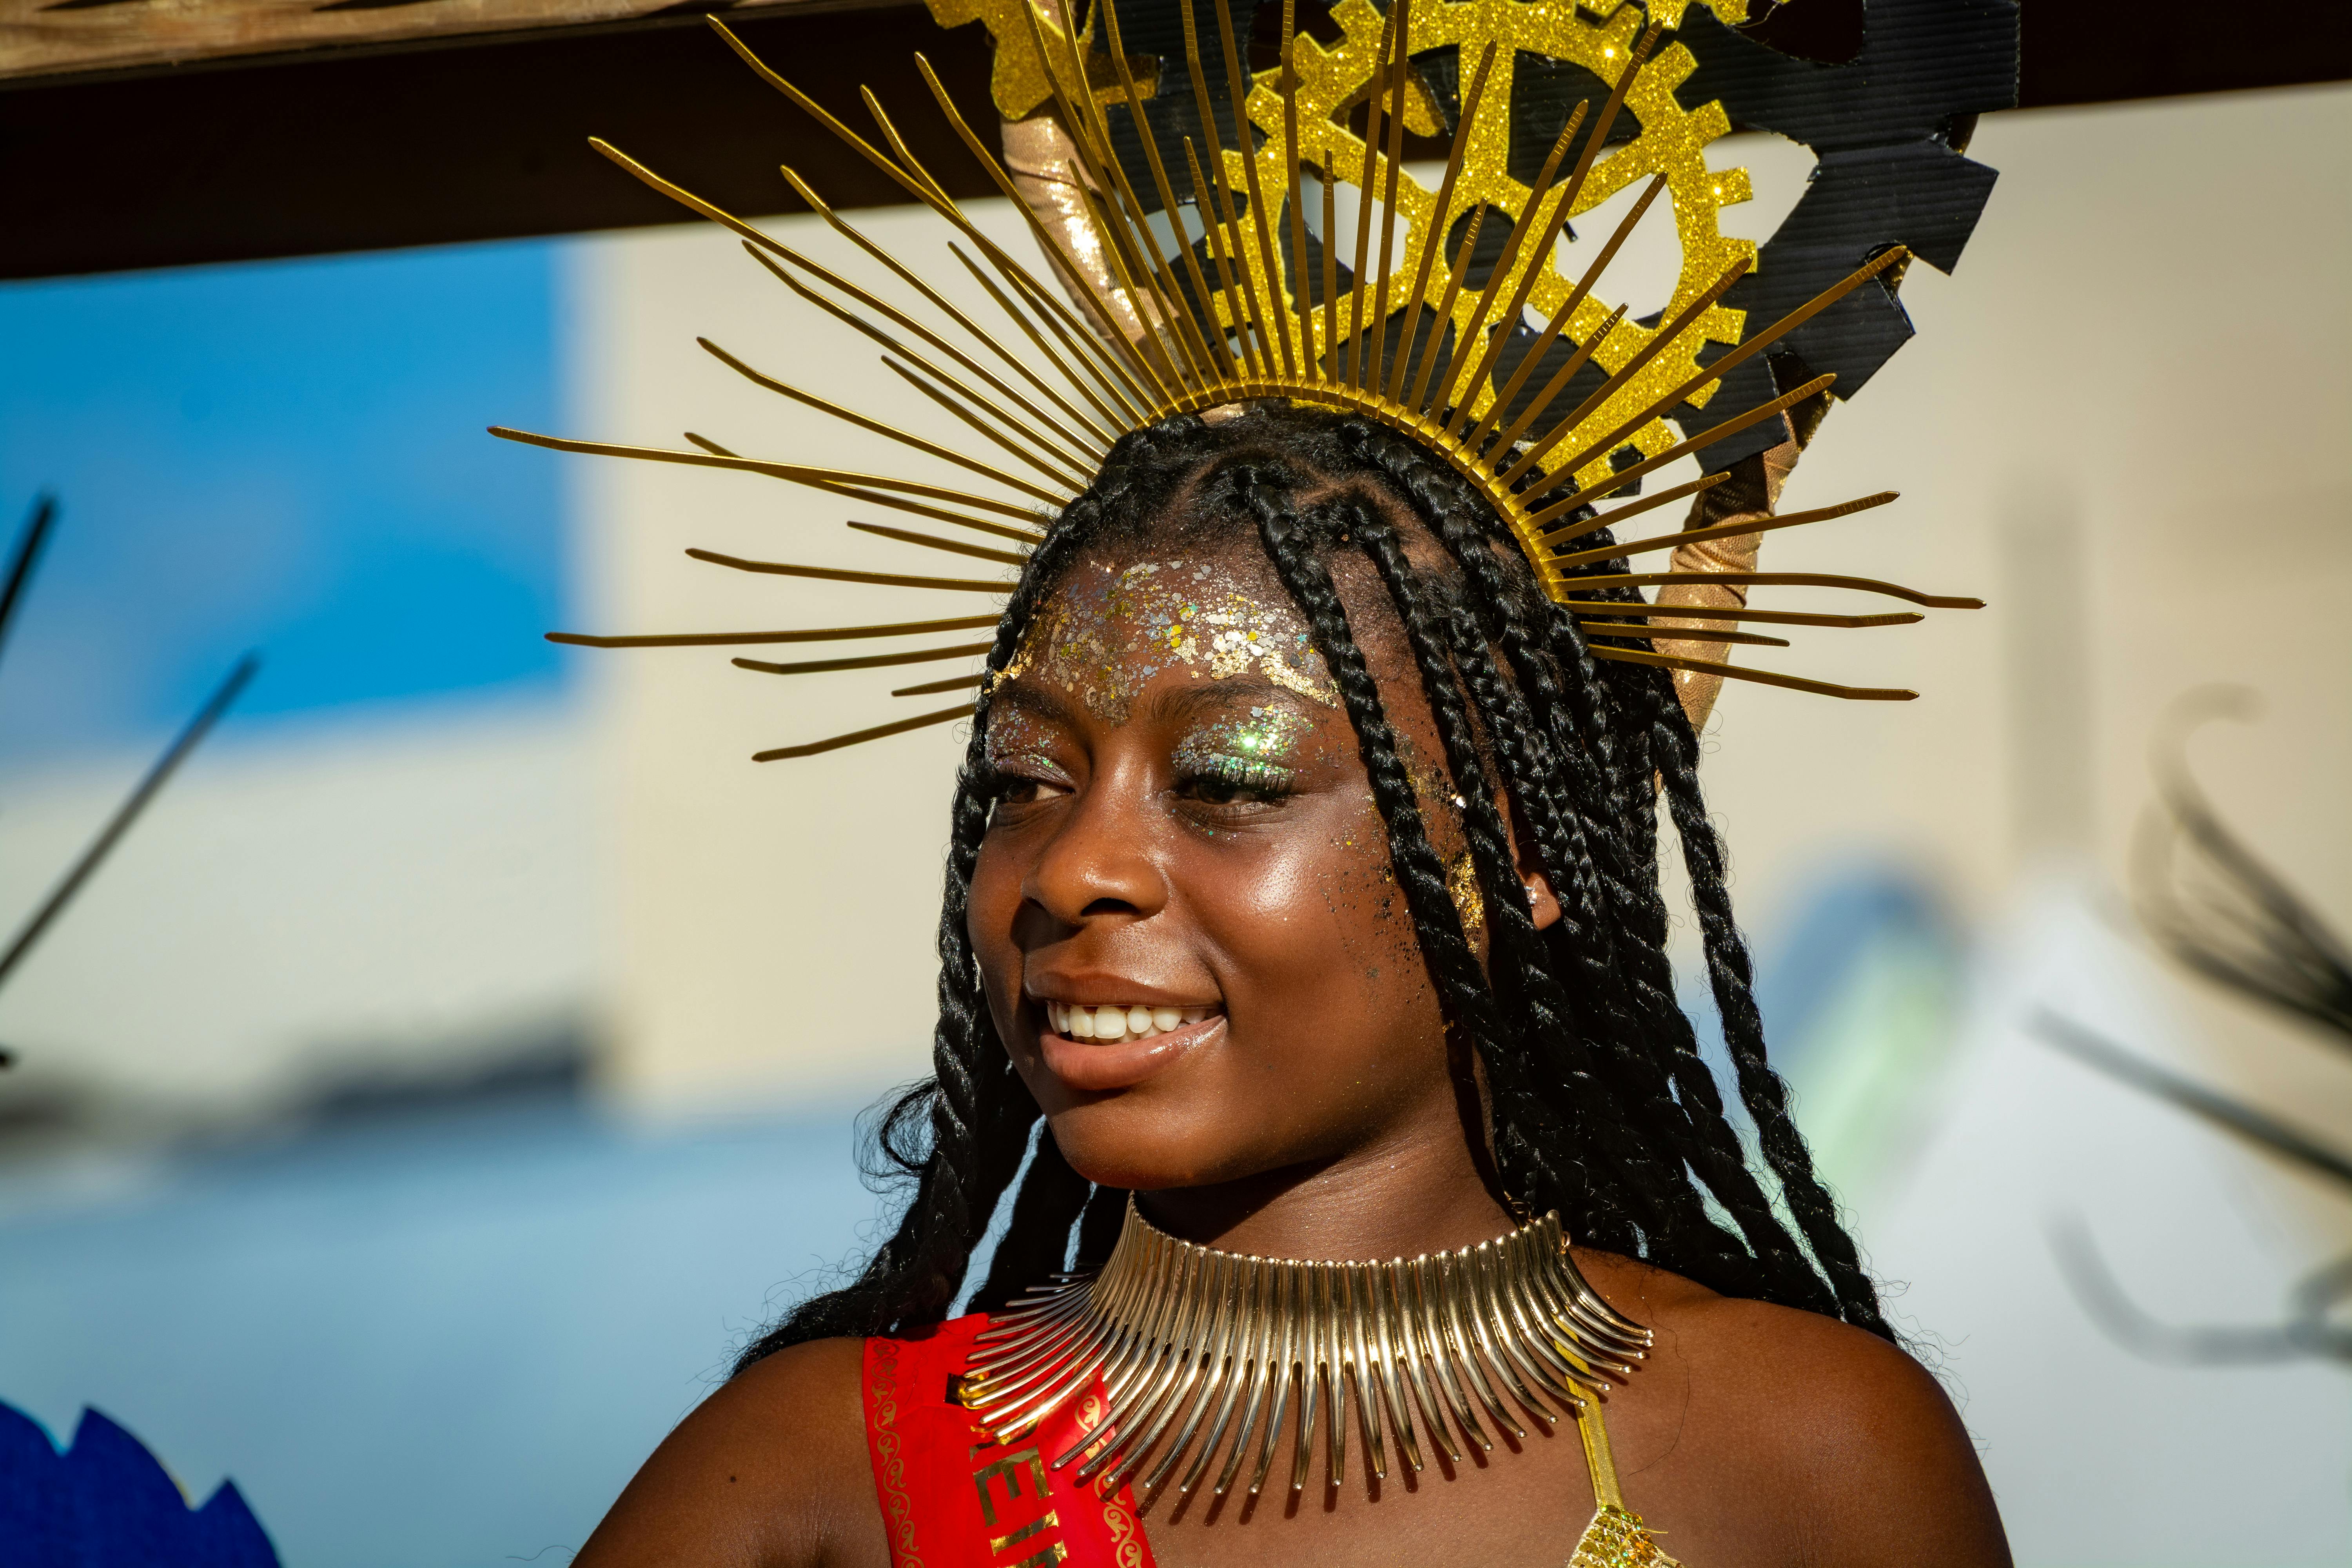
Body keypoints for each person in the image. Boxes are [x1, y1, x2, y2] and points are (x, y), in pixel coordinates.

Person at [496, 1, 2019, 1559]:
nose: (1076, 868)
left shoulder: (1805, 1459)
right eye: (1024, 781)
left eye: (1224, 779)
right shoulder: (818, 1487)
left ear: (1507, 844)